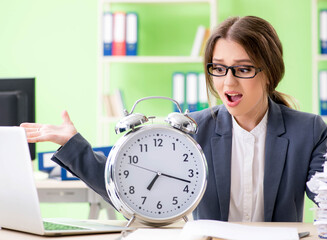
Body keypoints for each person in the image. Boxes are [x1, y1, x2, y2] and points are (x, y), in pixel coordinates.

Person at [21, 16, 327, 222]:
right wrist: (73, 145)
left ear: (269, 72)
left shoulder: (308, 130)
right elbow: (131, 186)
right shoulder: (193, 128)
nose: (227, 83)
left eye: (243, 69)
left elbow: (324, 196)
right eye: (218, 68)